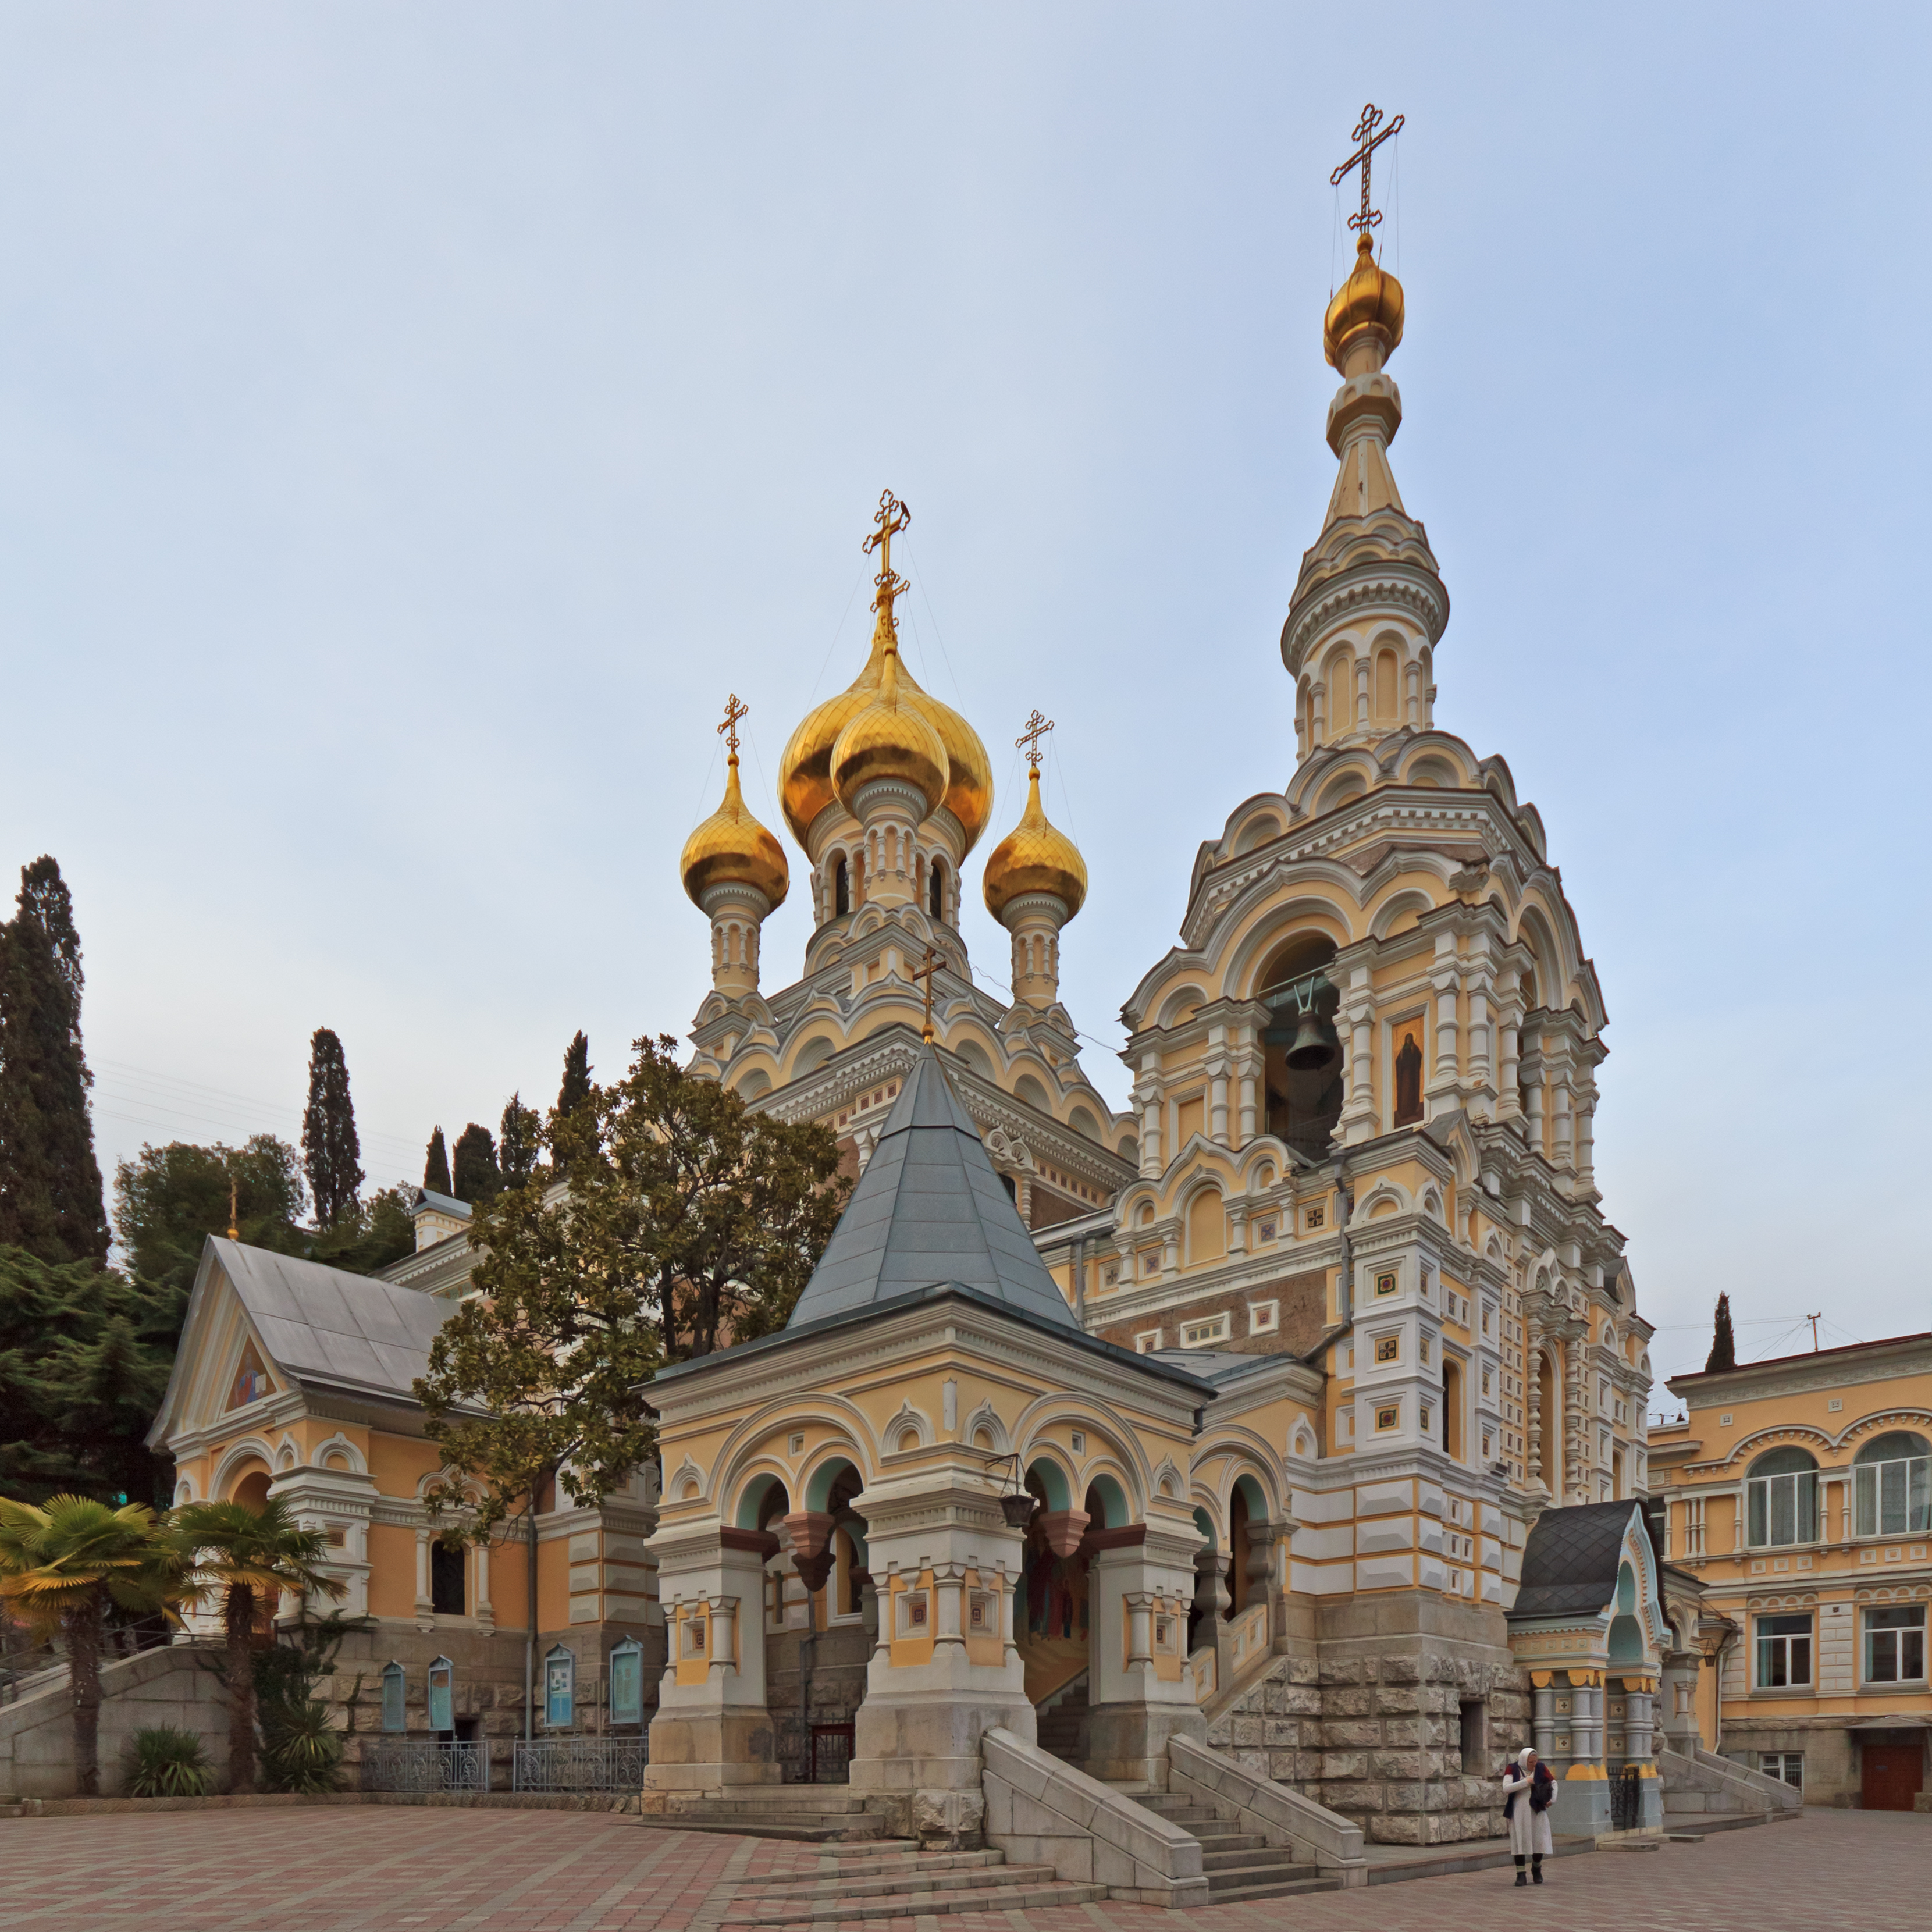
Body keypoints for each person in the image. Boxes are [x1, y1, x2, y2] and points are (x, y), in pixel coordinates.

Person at [1500, 1745, 1556, 1884]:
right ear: (1524, 1760)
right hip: (1520, 1810)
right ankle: (1521, 1874)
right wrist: (1525, 1782)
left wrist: (1552, 1799)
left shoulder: (1541, 1768)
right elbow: (1506, 1788)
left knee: (1539, 1839)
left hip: (1537, 1809)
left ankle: (1536, 1868)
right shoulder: (1512, 1769)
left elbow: (1553, 1783)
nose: (1533, 1764)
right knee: (1520, 1840)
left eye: (1535, 1761)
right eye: (1531, 1762)